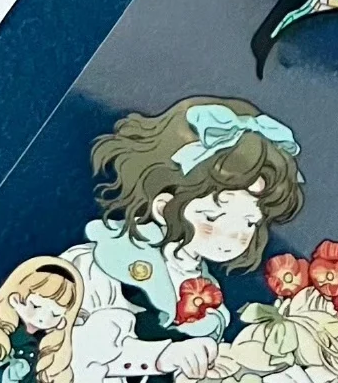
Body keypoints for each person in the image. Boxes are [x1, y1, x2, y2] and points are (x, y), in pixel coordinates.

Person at [59, 98, 306, 381]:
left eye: (249, 222)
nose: (232, 236)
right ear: (164, 207)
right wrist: (160, 357)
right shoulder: (104, 262)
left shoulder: (204, 289)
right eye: (212, 217)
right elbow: (66, 350)